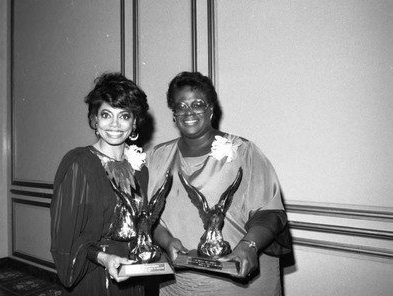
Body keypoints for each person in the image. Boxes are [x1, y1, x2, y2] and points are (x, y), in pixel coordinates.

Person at [148, 71, 292, 295]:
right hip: (180, 284)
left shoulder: (243, 150)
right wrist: (166, 241)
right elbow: (147, 216)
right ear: (173, 114)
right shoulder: (157, 156)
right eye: (181, 106)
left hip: (237, 281)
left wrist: (249, 246)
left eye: (197, 104)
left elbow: (270, 211)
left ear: (211, 109)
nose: (189, 112)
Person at [50, 72, 152, 295]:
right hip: (94, 273)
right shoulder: (79, 163)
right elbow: (65, 238)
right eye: (106, 115)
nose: (115, 124)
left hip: (132, 270)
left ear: (134, 122)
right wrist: (104, 257)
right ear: (95, 120)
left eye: (124, 116)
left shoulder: (139, 168)